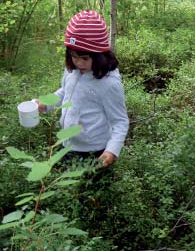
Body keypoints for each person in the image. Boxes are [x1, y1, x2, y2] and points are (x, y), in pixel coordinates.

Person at [38, 9, 129, 168]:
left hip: (94, 151)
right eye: (74, 56)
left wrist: (112, 151)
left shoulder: (109, 84)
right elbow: (65, 91)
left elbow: (120, 121)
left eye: (85, 58)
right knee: (68, 188)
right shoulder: (71, 70)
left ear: (99, 54)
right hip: (67, 144)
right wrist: (46, 103)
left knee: (93, 190)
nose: (78, 63)